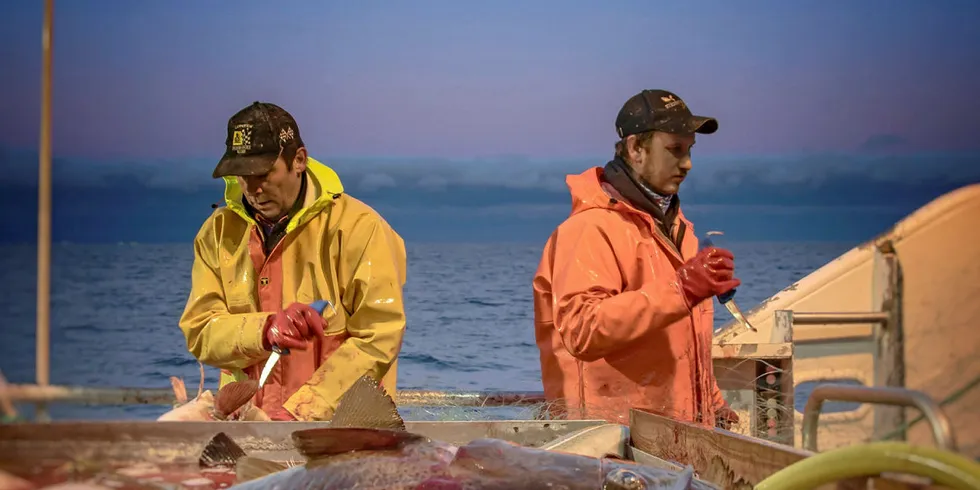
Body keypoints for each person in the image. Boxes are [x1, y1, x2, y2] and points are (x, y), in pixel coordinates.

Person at [178, 101, 408, 421]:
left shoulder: (360, 228)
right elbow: (201, 330)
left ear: (298, 160)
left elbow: (380, 335)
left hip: (341, 434)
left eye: (264, 173)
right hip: (246, 428)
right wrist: (265, 330)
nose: (253, 188)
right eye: (241, 174)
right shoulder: (216, 234)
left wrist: (304, 408)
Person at [532, 89, 741, 429]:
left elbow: (682, 341)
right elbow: (582, 330)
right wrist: (683, 289)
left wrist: (714, 405)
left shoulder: (679, 230)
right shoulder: (588, 229)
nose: (687, 163)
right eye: (674, 149)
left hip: (671, 441)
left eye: (689, 150)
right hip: (610, 448)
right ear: (635, 149)